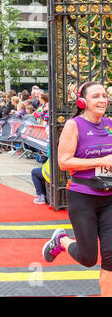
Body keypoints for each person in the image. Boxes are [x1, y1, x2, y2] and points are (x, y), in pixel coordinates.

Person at [42, 81, 112, 296]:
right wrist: (102, 160)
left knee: (110, 257)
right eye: (96, 96)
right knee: (88, 258)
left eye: (105, 95)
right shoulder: (74, 125)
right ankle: (62, 240)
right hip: (83, 196)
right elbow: (63, 162)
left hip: (109, 196)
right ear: (83, 102)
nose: (102, 100)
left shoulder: (110, 123)